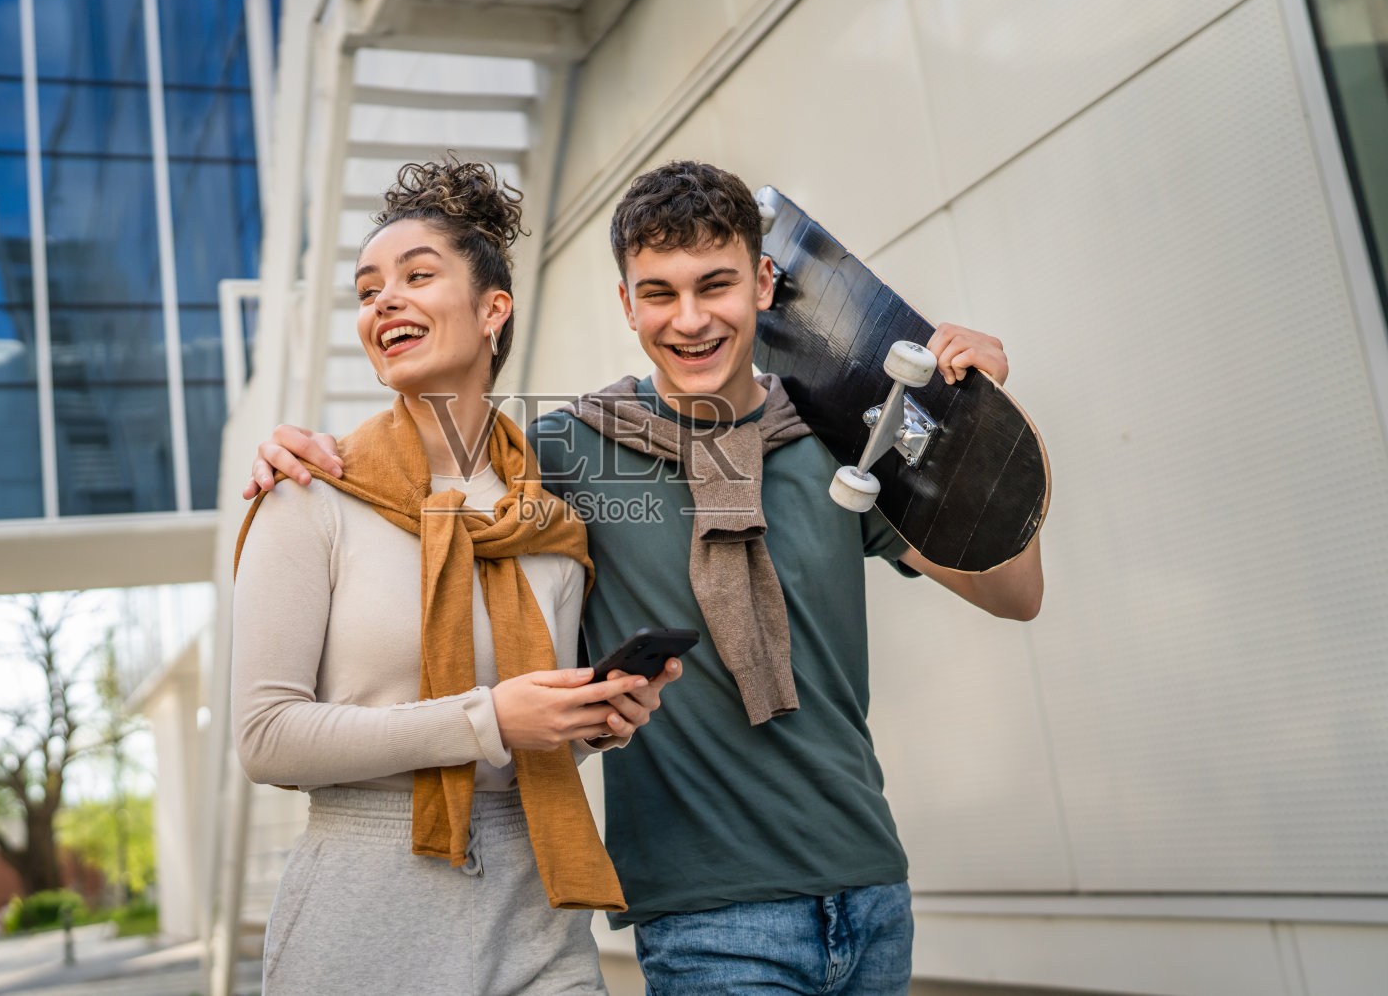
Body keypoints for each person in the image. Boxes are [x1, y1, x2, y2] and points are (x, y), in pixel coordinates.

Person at [244, 161, 1044, 995]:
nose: (690, 319)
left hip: (871, 888)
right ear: (627, 305)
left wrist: (983, 426)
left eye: (716, 285)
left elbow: (1014, 593)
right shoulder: (563, 453)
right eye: (659, 293)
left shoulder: (837, 443)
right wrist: (303, 452)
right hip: (706, 915)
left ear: (763, 284)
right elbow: (427, 464)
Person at [230, 159, 680, 996]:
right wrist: (488, 717)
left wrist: (596, 722)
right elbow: (266, 736)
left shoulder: (549, 522)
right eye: (368, 290)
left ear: (492, 310)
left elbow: (527, 740)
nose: (384, 302)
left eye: (416, 276)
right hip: (362, 915)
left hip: (534, 908)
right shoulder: (309, 495)